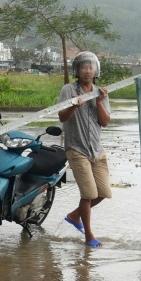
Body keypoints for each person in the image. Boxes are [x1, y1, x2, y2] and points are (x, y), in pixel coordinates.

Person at [57, 51, 111, 247]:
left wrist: (98, 103)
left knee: (103, 193)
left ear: (96, 70)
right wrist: (73, 106)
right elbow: (62, 117)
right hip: (76, 149)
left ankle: (74, 215)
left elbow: (105, 122)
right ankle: (89, 236)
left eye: (91, 67)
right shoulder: (68, 90)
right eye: (83, 67)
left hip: (97, 150)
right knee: (88, 194)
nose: (87, 71)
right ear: (77, 70)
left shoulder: (101, 92)